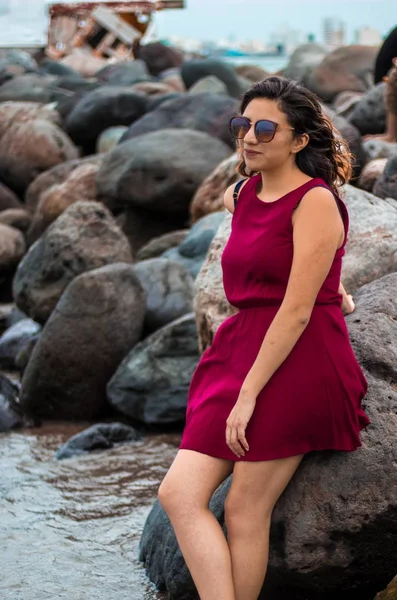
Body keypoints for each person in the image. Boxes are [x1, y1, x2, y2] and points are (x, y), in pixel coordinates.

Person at [157, 76, 370, 600]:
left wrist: (248, 395)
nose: (250, 137)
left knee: (244, 509)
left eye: (267, 128)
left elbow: (297, 309)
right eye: (243, 124)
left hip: (297, 356)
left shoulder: (315, 200)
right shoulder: (242, 192)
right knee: (180, 494)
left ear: (299, 140)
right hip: (241, 346)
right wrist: (334, 281)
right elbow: (292, 257)